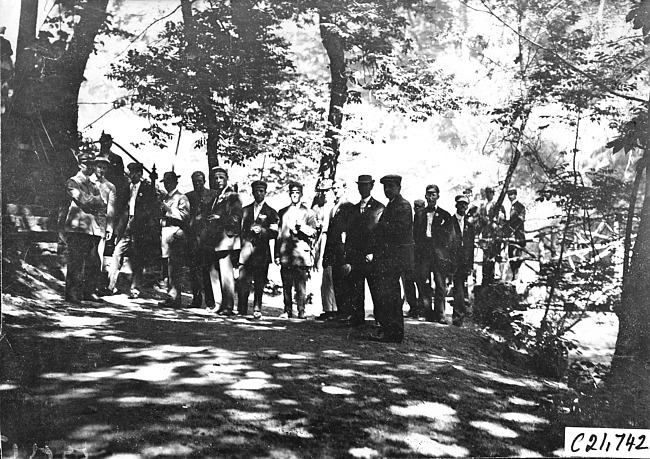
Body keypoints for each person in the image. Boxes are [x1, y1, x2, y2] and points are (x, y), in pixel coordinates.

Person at [368, 174, 414, 343]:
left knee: (392, 295)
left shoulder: (403, 206)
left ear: (399, 188)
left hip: (394, 258)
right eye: (385, 187)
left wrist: (379, 227)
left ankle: (394, 332)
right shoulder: (392, 205)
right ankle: (389, 329)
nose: (387, 190)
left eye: (391, 187)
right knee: (387, 294)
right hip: (387, 258)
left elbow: (399, 230)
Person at [108, 162, 160, 298]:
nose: (134, 175)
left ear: (141, 174)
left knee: (138, 257)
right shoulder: (125, 188)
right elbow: (119, 208)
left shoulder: (148, 190)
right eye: (131, 172)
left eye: (137, 172)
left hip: (140, 227)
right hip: (124, 226)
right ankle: (110, 285)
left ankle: (135, 289)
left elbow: (151, 210)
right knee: (117, 252)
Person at [342, 175, 385, 327]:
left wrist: (374, 252)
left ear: (371, 186)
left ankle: (379, 319)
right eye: (360, 185)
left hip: (371, 256)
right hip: (356, 256)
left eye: (366, 185)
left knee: (376, 288)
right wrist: (347, 258)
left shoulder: (379, 208)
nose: (363, 188)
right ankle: (357, 318)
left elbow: (380, 234)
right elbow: (349, 236)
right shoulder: (353, 209)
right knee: (356, 288)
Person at [63, 152, 105, 303]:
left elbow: (102, 203)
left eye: (92, 164)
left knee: (93, 261)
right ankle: (72, 293)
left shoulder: (93, 185)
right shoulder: (72, 182)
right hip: (77, 227)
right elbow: (84, 200)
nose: (90, 167)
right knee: (76, 262)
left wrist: (95, 201)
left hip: (92, 227)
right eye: (87, 164)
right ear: (80, 165)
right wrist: (95, 200)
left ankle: (89, 291)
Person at [275, 182, 318, 319]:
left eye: (297, 193)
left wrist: (302, 227)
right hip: (286, 253)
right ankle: (287, 310)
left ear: (301, 194)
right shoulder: (282, 212)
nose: (294, 195)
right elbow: (279, 234)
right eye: (292, 193)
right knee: (286, 284)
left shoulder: (309, 213)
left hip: (300, 253)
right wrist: (277, 253)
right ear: (289, 194)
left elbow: (313, 233)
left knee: (300, 285)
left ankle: (301, 310)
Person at [203, 167, 242, 315]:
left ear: (227, 178)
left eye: (221, 177)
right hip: (215, 240)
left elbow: (236, 218)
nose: (218, 180)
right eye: (216, 178)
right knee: (214, 271)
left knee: (226, 273)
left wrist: (220, 219)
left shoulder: (233, 196)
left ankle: (228, 306)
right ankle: (218, 304)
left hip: (227, 240)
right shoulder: (216, 196)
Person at [238, 180, 279, 319]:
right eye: (256, 191)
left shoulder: (271, 212)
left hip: (261, 253)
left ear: (265, 193)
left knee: (259, 282)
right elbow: (240, 230)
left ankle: (257, 308)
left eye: (261, 191)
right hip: (246, 251)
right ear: (252, 192)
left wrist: (262, 230)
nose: (258, 194)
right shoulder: (245, 210)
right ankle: (242, 308)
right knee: (243, 281)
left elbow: (274, 233)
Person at [412, 184, 453, 323]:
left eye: (433, 194)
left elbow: (449, 239)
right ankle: (426, 312)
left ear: (438, 196)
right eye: (428, 194)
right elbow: (415, 235)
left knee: (440, 285)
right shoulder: (419, 214)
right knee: (424, 283)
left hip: (439, 255)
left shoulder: (445, 215)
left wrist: (445, 255)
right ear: (425, 196)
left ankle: (440, 314)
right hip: (423, 254)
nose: (430, 197)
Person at [321, 180, 355, 322]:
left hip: (343, 250)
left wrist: (347, 253)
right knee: (336, 281)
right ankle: (337, 312)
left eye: (338, 188)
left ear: (344, 189)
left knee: (344, 281)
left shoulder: (348, 207)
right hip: (333, 250)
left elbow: (349, 232)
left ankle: (346, 312)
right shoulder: (333, 208)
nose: (335, 190)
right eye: (334, 188)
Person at [185, 171, 219, 308]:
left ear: (204, 181)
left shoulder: (213, 194)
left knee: (207, 270)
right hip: (192, 238)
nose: (197, 184)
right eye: (195, 181)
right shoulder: (188, 196)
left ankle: (210, 301)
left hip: (208, 238)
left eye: (200, 181)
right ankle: (196, 299)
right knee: (193, 270)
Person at [158, 171, 190, 307]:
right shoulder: (165, 196)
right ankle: (170, 296)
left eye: (170, 182)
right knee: (167, 268)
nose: (167, 184)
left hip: (175, 234)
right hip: (165, 234)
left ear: (176, 182)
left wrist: (169, 210)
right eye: (165, 182)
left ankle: (175, 298)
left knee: (175, 268)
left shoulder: (181, 198)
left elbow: (185, 216)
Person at [448, 194, 476, 327]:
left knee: (460, 288)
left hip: (464, 262)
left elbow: (471, 247)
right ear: (456, 205)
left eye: (465, 204)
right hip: (451, 260)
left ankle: (459, 315)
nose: (463, 207)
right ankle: (452, 316)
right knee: (453, 287)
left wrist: (470, 264)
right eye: (461, 204)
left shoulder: (470, 226)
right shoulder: (449, 222)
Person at [313, 179, 337, 321]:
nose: (326, 194)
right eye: (323, 191)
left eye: (328, 190)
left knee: (332, 274)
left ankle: (334, 309)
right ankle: (327, 308)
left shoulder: (339, 207)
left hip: (333, 241)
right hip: (322, 240)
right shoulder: (318, 207)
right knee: (324, 275)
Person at [92, 154, 116, 295]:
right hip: (87, 221)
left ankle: (94, 286)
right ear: (94, 167)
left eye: (104, 168)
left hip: (101, 223)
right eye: (99, 167)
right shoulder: (87, 181)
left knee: (98, 255)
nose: (102, 170)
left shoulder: (109, 186)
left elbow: (111, 209)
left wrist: (110, 227)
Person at [478, 186, 505, 285]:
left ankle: (494, 279)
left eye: (490, 192)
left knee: (494, 257)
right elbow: (480, 221)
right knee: (485, 258)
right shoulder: (483, 206)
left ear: (493, 194)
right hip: (486, 235)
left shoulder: (498, 206)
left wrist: (495, 226)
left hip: (494, 236)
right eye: (487, 192)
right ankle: (486, 280)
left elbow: (502, 220)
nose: (488, 194)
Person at [403, 199, 425, 317]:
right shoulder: (411, 222)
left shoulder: (423, 221)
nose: (418, 209)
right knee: (410, 283)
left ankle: (419, 308)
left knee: (418, 283)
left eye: (420, 207)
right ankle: (415, 308)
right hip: (411, 257)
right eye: (416, 207)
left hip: (419, 258)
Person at [506, 188, 526, 280]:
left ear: (515, 195)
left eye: (511, 194)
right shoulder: (510, 207)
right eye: (508, 195)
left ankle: (517, 276)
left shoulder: (520, 206)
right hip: (511, 235)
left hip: (518, 235)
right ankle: (514, 275)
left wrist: (511, 230)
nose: (510, 196)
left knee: (517, 255)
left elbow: (519, 220)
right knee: (511, 255)